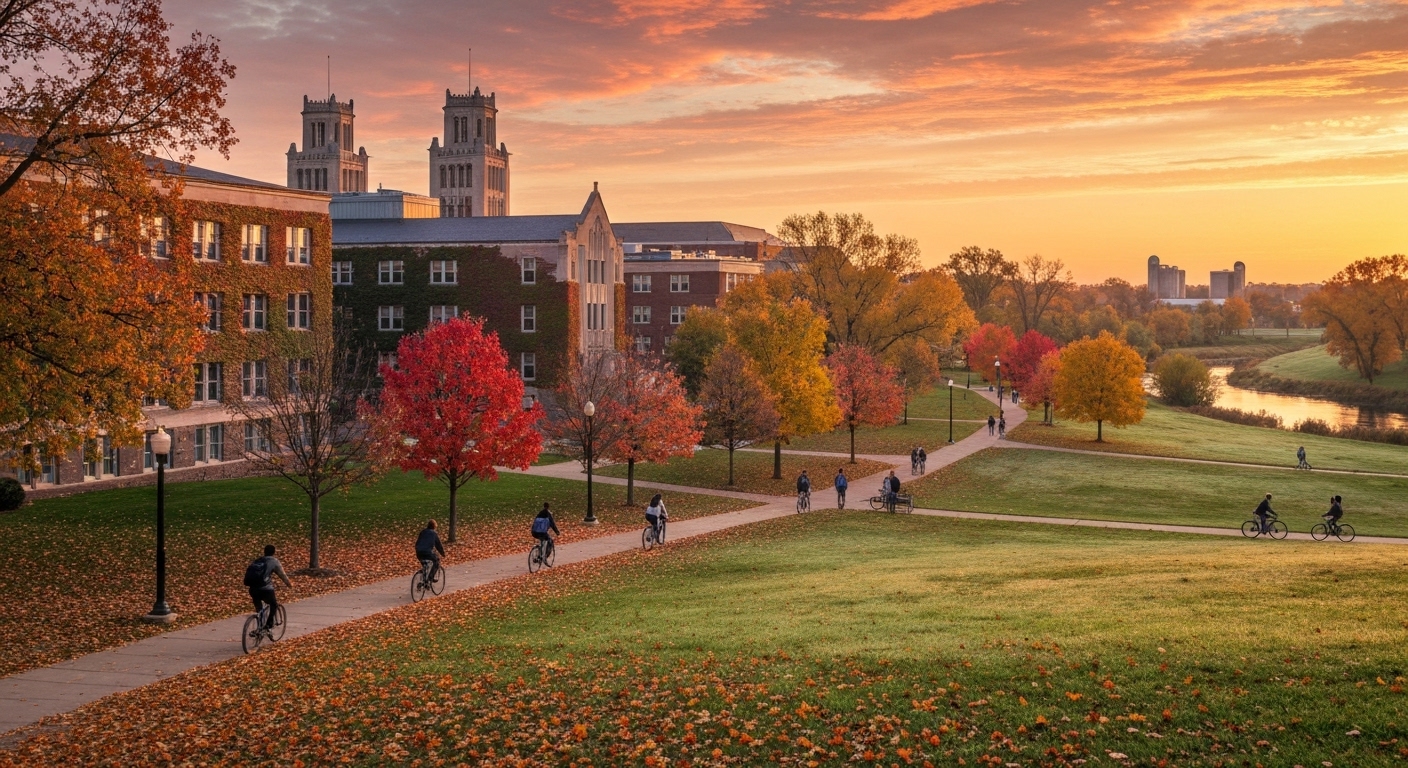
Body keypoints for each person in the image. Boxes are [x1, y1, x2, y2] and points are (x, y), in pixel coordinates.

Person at [244, 544, 292, 631]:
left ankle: (259, 626)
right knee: (273, 605)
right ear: (274, 552)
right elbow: (282, 574)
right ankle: (268, 625)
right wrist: (289, 584)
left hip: (253, 589)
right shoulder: (274, 561)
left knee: (259, 609)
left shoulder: (258, 560)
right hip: (266, 590)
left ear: (264, 551)